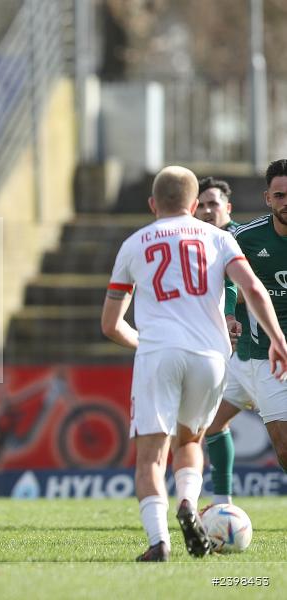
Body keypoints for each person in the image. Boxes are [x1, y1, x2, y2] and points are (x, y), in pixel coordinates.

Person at [101, 166, 287, 562]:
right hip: (211, 357)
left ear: (153, 204)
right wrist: (277, 339)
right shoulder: (220, 238)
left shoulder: (135, 243)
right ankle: (189, 501)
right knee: (191, 442)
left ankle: (159, 542)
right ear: (192, 204)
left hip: (160, 354)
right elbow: (252, 287)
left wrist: (143, 342)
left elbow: (111, 325)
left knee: (151, 455)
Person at [195, 177, 259, 506]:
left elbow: (232, 286)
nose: (207, 211)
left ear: (228, 208)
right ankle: (222, 503)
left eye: (213, 204)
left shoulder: (242, 239)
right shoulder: (197, 246)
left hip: (268, 356)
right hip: (239, 359)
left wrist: (230, 314)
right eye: (201, 205)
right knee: (213, 424)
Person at [230, 159, 287, 476]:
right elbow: (226, 284)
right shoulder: (247, 239)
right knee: (284, 449)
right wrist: (228, 314)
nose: (286, 203)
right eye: (279, 196)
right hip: (266, 355)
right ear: (268, 198)